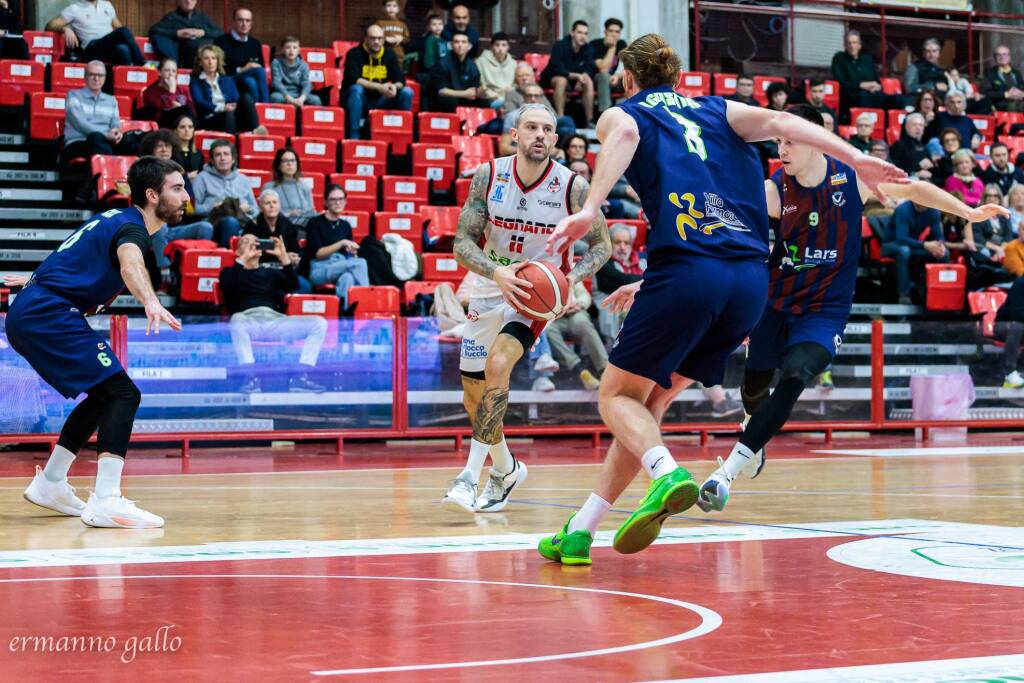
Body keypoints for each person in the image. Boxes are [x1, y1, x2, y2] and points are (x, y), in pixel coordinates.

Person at [537, 33, 907, 566]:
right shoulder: (719, 108)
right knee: (649, 405)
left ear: (627, 78)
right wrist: (858, 158)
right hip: (748, 286)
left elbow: (619, 132)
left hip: (690, 271)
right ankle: (581, 530)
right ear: (679, 79)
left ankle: (665, 476)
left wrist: (591, 206)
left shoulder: (627, 111)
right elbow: (784, 122)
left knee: (615, 398)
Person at [695, 104, 1004, 513]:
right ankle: (754, 431)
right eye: (779, 142)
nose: (781, 150)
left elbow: (913, 189)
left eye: (789, 142)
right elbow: (717, 225)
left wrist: (967, 211)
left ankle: (725, 475)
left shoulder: (852, 179)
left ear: (812, 140)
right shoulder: (773, 191)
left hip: (825, 310)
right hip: (774, 304)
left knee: (795, 376)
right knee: (753, 390)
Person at [442, 102, 611, 514]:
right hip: (489, 287)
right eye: (531, 127)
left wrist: (568, 280)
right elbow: (461, 244)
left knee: (498, 366)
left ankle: (467, 477)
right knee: (473, 395)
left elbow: (602, 245)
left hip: (535, 296)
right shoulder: (488, 175)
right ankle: (506, 467)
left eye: (547, 129)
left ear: (555, 139)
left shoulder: (573, 187)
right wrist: (495, 273)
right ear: (514, 134)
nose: (539, 135)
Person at [10, 157, 185, 528]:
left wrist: (33, 281)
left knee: (104, 395)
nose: (185, 196)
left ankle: (51, 484)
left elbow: (75, 258)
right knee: (124, 394)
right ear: (152, 195)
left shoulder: (115, 219)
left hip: (39, 308)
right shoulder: (132, 229)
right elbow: (130, 264)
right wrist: (150, 300)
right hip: (48, 312)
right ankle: (107, 499)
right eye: (177, 188)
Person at [219, 234, 326, 394]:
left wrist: (283, 257)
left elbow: (293, 285)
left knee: (319, 322)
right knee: (236, 319)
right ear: (237, 252)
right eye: (245, 242)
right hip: (248, 320)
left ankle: (301, 377)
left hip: (275, 320)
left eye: (256, 242)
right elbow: (227, 286)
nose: (252, 245)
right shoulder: (230, 272)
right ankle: (250, 377)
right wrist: (242, 261)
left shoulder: (269, 273)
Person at [140, 130, 214, 270]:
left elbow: (190, 204)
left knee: (206, 227)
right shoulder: (144, 172)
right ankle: (165, 275)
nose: (164, 149)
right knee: (160, 226)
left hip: (176, 226)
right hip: (149, 228)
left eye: (167, 146)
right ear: (151, 149)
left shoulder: (180, 173)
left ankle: (195, 272)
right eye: (159, 146)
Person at [342, 24, 413, 140]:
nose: (376, 42)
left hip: (381, 99)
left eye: (380, 38)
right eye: (373, 38)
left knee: (407, 92)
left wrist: (394, 87)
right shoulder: (354, 53)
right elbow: (353, 79)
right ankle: (354, 136)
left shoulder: (389, 54)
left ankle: (403, 137)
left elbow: (400, 80)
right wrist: (379, 87)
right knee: (356, 89)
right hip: (361, 99)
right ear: (365, 39)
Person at [304, 184, 370, 308]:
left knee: (348, 278)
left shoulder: (345, 225)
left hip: (341, 266)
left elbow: (349, 255)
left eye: (340, 199)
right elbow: (318, 254)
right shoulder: (315, 222)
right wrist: (342, 243)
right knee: (360, 263)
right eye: (333, 199)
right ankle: (366, 305)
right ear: (325, 202)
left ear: (345, 201)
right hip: (320, 269)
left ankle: (344, 315)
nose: (337, 203)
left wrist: (352, 252)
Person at [61, 61, 132, 163]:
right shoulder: (73, 96)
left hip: (105, 143)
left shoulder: (111, 100)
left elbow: (115, 124)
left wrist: (117, 133)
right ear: (85, 77)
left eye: (100, 75)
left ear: (105, 78)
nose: (96, 78)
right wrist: (105, 135)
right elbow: (80, 123)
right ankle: (106, 171)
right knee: (96, 138)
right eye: (92, 75)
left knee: (129, 142)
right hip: (78, 143)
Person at [192, 139, 257, 246]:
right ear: (212, 160)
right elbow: (189, 209)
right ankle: (227, 258)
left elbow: (256, 209)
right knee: (230, 222)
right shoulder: (202, 178)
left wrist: (248, 209)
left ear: (233, 159)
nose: (222, 158)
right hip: (216, 224)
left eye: (226, 154)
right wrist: (211, 206)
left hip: (243, 223)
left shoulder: (243, 179)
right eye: (218, 155)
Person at [884, 199, 949, 303]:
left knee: (944, 254)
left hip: (913, 246)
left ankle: (939, 295)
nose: (920, 205)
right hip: (891, 245)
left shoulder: (934, 211)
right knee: (904, 251)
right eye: (918, 202)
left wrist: (940, 245)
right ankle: (904, 295)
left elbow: (938, 236)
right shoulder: (903, 210)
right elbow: (901, 238)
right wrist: (924, 244)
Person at [546, 279, 606, 390]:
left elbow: (584, 295)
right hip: (552, 318)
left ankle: (605, 370)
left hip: (575, 312)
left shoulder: (571, 270)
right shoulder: (541, 270)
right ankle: (581, 371)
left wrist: (578, 304)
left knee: (582, 323)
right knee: (548, 330)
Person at [47, 0, 144, 66]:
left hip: (108, 47)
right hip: (91, 49)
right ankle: (143, 64)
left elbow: (118, 27)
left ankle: (127, 85)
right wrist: (65, 29)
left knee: (123, 49)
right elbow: (50, 26)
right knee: (124, 31)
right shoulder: (74, 8)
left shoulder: (107, 5)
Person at [190, 44, 260, 134]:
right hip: (210, 118)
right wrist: (222, 108)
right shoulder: (196, 81)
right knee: (228, 115)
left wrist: (233, 106)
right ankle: (231, 142)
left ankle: (256, 131)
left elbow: (236, 99)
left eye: (214, 58)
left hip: (231, 114)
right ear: (200, 62)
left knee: (246, 97)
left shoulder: (227, 80)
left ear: (217, 61)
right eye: (206, 58)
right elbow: (199, 102)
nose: (210, 62)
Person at [499, 65, 576, 144]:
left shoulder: (538, 91)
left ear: (533, 78)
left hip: (546, 124)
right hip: (528, 126)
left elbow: (553, 115)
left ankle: (570, 148)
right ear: (515, 79)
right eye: (520, 76)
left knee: (566, 122)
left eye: (527, 75)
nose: (524, 78)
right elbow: (512, 118)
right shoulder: (511, 94)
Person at [830, 29, 899, 116]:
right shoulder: (839, 58)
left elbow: (877, 82)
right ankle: (867, 125)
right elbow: (840, 83)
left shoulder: (867, 59)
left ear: (859, 45)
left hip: (872, 94)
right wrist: (860, 85)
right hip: (851, 97)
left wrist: (878, 86)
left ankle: (889, 126)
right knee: (863, 96)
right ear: (844, 45)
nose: (852, 46)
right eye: (849, 43)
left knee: (897, 99)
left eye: (854, 43)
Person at [541, 20, 595, 125]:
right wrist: (576, 76)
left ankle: (590, 120)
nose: (583, 36)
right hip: (553, 77)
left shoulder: (588, 49)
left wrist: (584, 76)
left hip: (574, 81)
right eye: (579, 32)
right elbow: (557, 68)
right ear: (572, 33)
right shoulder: (560, 45)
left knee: (588, 80)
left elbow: (590, 67)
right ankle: (560, 117)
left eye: (585, 33)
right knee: (562, 80)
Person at [214, 7, 269, 104]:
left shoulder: (255, 44)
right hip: (229, 79)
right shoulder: (221, 41)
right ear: (233, 22)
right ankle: (265, 107)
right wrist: (242, 69)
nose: (244, 24)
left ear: (251, 24)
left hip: (248, 80)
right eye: (240, 20)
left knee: (250, 81)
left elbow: (262, 67)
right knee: (256, 74)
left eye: (247, 21)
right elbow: (218, 70)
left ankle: (258, 110)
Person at [148, 0, 223, 70]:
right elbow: (154, 30)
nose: (188, 1)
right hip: (184, 59)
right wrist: (177, 33)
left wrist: (203, 33)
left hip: (206, 60)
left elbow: (220, 33)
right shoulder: (172, 17)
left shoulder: (203, 17)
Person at [429, 31, 488, 112]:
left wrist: (480, 92)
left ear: (469, 46)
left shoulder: (472, 65)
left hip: (465, 99)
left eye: (463, 42)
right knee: (451, 101)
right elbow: (441, 91)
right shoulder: (442, 64)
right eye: (456, 42)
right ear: (451, 45)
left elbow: (474, 88)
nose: (460, 45)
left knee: (485, 102)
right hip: (445, 101)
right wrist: (464, 94)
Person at [260, 148, 317, 226]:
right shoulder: (269, 187)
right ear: (279, 166)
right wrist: (288, 214)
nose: (290, 164)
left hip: (305, 227)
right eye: (286, 161)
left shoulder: (305, 187)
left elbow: (312, 212)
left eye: (293, 160)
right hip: (281, 227)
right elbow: (264, 213)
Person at [142, 58, 196, 128]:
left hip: (184, 123)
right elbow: (166, 110)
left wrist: (180, 109)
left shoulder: (183, 90)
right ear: (159, 72)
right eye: (167, 70)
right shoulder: (151, 91)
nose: (171, 74)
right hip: (164, 124)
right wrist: (172, 91)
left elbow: (192, 111)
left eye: (173, 71)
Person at [271, 36, 321, 107]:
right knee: (275, 97)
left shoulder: (303, 65)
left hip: (299, 94)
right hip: (283, 94)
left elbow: (306, 83)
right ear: (282, 50)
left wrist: (302, 98)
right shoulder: (276, 63)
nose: (291, 50)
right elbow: (277, 83)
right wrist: (289, 98)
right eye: (288, 47)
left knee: (316, 100)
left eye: (294, 47)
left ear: (298, 50)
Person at [590, 18, 627, 115]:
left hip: (615, 80)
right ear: (605, 32)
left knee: (634, 77)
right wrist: (612, 47)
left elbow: (629, 67)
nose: (614, 34)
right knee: (604, 76)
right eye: (611, 31)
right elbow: (603, 69)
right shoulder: (595, 44)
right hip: (598, 80)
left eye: (617, 32)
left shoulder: (622, 44)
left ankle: (636, 114)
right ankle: (606, 114)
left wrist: (617, 76)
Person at [995, 278, 1024, 388]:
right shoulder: (1020, 284)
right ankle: (1010, 372)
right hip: (1004, 325)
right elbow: (1017, 313)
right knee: (1018, 326)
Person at [477, 32, 517, 109]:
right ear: (492, 47)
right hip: (491, 99)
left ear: (508, 47)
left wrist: (512, 91)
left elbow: (516, 84)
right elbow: (480, 85)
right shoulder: (481, 62)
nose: (500, 48)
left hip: (510, 98)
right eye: (497, 45)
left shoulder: (513, 63)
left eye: (504, 45)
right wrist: (492, 95)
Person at [890, 113, 932, 180]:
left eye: (921, 125)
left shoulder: (924, 147)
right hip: (907, 180)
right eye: (914, 124)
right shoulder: (899, 145)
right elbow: (894, 168)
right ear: (906, 127)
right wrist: (916, 170)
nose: (918, 127)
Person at [984, 45, 1024, 113]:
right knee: (1012, 105)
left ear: (1009, 57)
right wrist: (1007, 94)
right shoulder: (989, 73)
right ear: (995, 58)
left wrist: (1022, 94)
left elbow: (1022, 87)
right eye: (999, 55)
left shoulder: (1016, 73)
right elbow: (987, 93)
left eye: (1005, 54)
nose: (1002, 57)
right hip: (1002, 105)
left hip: (1020, 102)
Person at [418, 12, 448, 81]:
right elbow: (429, 57)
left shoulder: (443, 40)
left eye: (440, 24)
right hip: (434, 71)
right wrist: (432, 69)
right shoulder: (430, 40)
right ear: (428, 27)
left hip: (444, 69)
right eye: (434, 24)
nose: (437, 27)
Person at [172, 113, 203, 178]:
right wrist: (187, 176)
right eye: (182, 127)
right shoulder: (170, 152)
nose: (187, 130)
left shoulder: (198, 153)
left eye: (190, 127)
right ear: (175, 131)